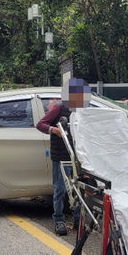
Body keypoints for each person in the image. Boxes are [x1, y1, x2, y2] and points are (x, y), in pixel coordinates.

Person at [36, 98, 73, 236]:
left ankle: (77, 220)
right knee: (60, 189)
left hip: (78, 156)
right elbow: (40, 124)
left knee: (77, 191)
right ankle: (58, 219)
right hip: (61, 156)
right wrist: (54, 130)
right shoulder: (59, 108)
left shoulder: (82, 111)